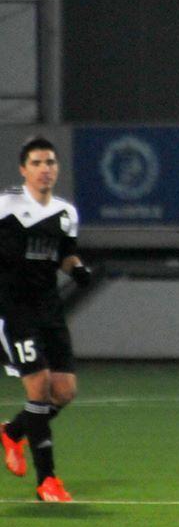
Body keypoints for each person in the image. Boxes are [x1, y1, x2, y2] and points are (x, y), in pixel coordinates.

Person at [1, 136, 92, 502]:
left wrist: (77, 268)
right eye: (37, 163)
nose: (45, 169)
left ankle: (13, 432)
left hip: (49, 311)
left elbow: (65, 255)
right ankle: (47, 481)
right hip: (13, 310)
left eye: (50, 162)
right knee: (38, 387)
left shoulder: (66, 213)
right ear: (23, 169)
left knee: (65, 391)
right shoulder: (6, 205)